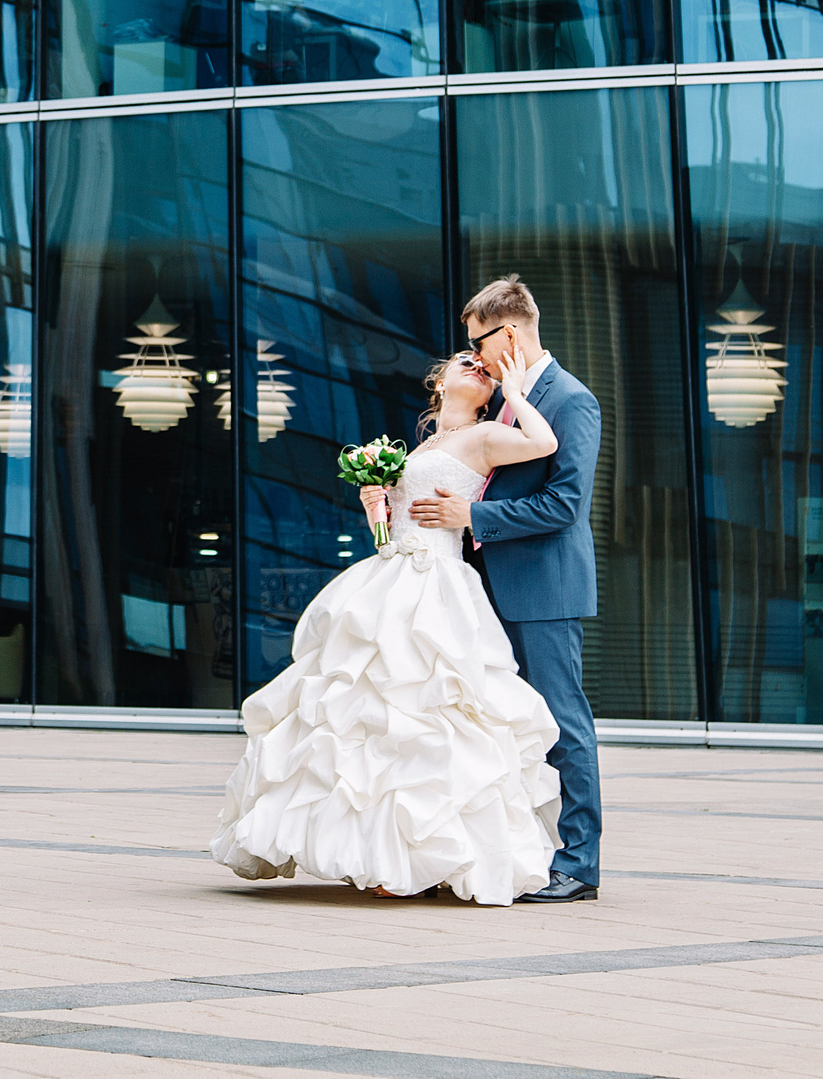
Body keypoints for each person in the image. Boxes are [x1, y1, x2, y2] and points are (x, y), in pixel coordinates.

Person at [211, 347, 563, 904]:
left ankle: (421, 858)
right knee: (363, 713)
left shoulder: (482, 436)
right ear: (439, 381)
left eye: (484, 367)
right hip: (388, 577)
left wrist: (515, 392)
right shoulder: (421, 445)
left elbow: (544, 444)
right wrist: (375, 504)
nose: (476, 368)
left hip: (439, 584)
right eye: (464, 362)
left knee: (431, 713)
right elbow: (396, 518)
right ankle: (374, 854)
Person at [406, 275, 604, 904]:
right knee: (495, 727)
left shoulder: (571, 399)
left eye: (478, 342)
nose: (476, 357)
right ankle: (516, 854)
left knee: (561, 725)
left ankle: (579, 864)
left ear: (508, 334)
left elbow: (565, 504)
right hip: (480, 593)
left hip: (545, 591)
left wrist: (474, 520)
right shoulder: (497, 404)